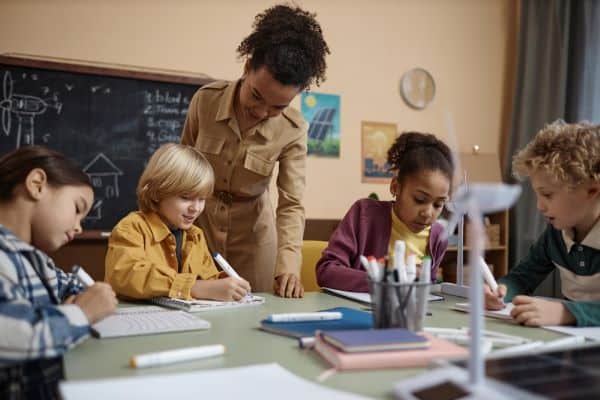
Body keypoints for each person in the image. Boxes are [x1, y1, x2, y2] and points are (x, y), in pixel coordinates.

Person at [180, 4, 329, 297]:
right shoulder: (206, 101)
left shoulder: (293, 129)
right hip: (199, 229)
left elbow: (291, 204)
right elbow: (181, 172)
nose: (261, 112)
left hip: (254, 241)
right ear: (247, 67)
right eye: (257, 96)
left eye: (278, 107)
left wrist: (287, 266)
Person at [0, 145, 117, 400]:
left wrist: (81, 301)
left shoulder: (36, 260)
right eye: (78, 209)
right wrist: (82, 312)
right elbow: (14, 333)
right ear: (37, 184)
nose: (78, 227)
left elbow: (73, 287)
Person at [485, 121, 600, 327]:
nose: (539, 206)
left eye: (547, 195)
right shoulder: (556, 235)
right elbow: (521, 278)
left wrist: (567, 312)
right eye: (537, 194)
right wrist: (500, 291)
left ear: (591, 190)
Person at [105, 143, 251, 301]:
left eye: (202, 199)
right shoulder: (132, 228)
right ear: (157, 193)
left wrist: (225, 284)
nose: (196, 208)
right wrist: (193, 287)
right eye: (186, 197)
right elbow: (126, 273)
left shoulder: (195, 236)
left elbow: (207, 279)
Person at [316, 132, 455, 292]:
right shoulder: (364, 215)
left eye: (438, 204)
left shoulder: (438, 237)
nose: (428, 213)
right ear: (396, 187)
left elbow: (424, 290)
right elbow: (326, 271)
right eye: (419, 199)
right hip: (358, 312)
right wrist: (385, 280)